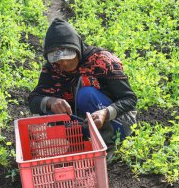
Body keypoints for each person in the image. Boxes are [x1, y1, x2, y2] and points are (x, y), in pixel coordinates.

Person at [28, 18, 137, 151]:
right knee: (49, 110)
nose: (64, 64)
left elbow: (130, 99)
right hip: (81, 122)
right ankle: (78, 144)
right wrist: (51, 101)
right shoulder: (53, 68)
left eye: (68, 57)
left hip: (116, 121)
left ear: (77, 48)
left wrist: (105, 113)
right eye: (58, 60)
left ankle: (106, 144)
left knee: (86, 95)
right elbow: (33, 99)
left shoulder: (103, 62)